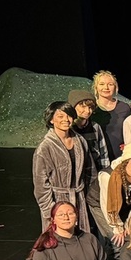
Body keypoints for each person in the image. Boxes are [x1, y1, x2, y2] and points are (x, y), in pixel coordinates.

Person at [33, 100, 97, 233]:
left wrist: (90, 198)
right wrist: (50, 212)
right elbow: (40, 185)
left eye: (68, 116)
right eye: (60, 116)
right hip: (58, 203)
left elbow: (90, 171)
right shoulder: (45, 148)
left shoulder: (80, 140)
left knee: (80, 239)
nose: (66, 120)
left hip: (79, 199)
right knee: (60, 241)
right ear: (51, 120)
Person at [94, 142, 131, 260]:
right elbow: (107, 205)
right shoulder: (108, 176)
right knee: (116, 239)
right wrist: (118, 227)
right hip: (101, 205)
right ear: (125, 164)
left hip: (125, 204)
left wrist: (130, 224)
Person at [89, 70, 131, 161]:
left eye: (110, 84)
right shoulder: (91, 109)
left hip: (121, 157)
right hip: (97, 157)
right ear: (96, 87)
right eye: (102, 84)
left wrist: (129, 146)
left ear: (115, 87)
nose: (106, 87)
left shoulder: (124, 108)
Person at [68, 89, 110, 172]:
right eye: (83, 106)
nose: (87, 111)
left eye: (90, 107)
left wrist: (104, 173)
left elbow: (103, 154)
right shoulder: (67, 128)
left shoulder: (95, 127)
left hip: (93, 173)